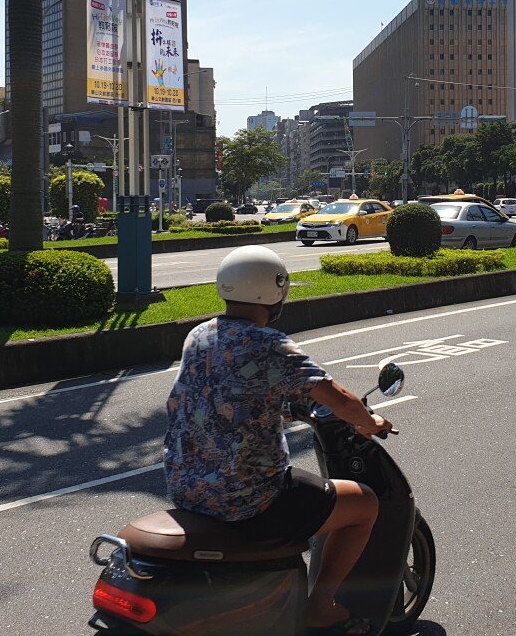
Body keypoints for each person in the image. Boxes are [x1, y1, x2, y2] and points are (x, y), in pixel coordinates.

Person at [164, 246, 392, 636]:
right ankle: (320, 606)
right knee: (365, 503)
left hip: (186, 490)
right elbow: (334, 394)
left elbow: (227, 393)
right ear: (277, 290)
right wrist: (368, 420)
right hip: (250, 499)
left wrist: (282, 409)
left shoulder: (199, 334)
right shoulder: (270, 343)